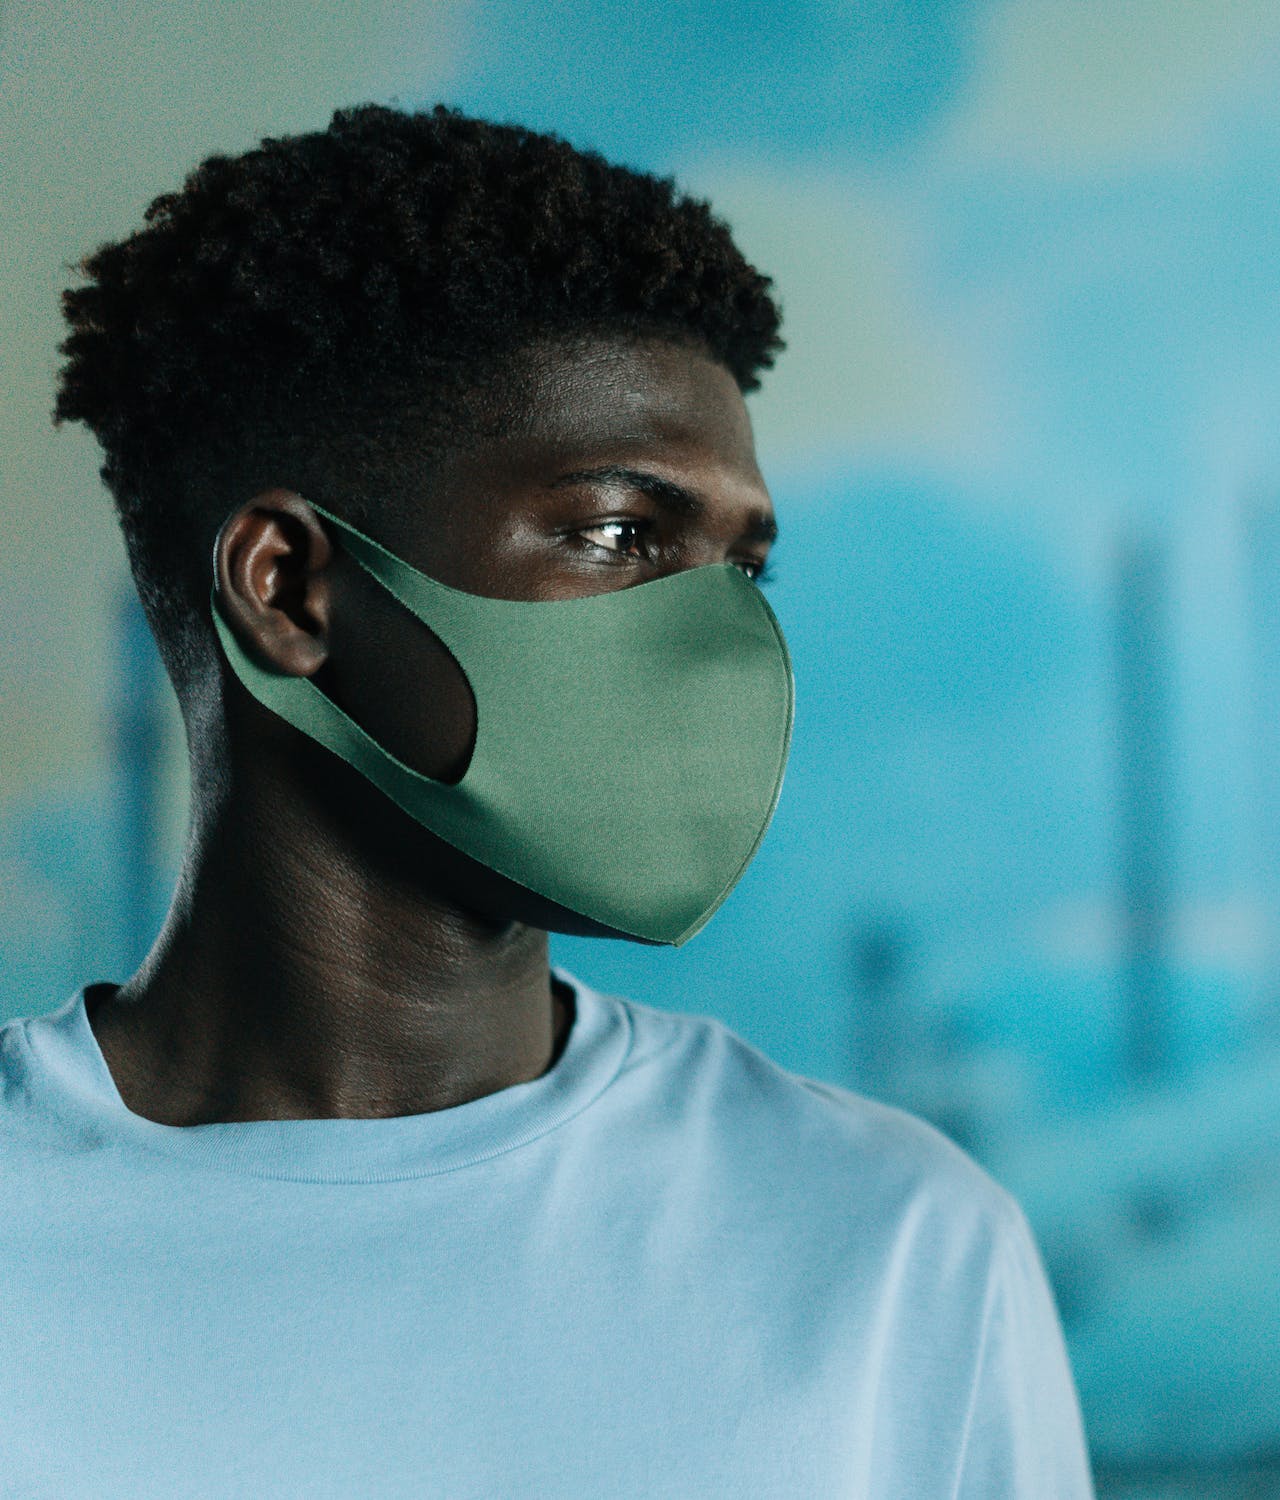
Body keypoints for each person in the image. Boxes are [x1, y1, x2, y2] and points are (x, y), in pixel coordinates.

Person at [1, 103, 1093, 1498]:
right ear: (288, 590)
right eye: (617, 533)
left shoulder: (886, 1243)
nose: (715, 641)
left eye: (741, 566)